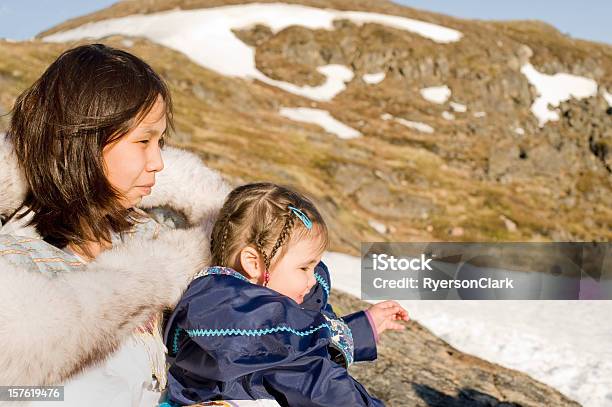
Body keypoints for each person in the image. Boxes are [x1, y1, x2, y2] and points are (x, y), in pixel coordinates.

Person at [0, 43, 230, 406]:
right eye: (143, 141)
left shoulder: (153, 237)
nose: (158, 162)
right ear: (82, 141)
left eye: (161, 142)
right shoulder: (16, 268)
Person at [164, 183, 409, 406]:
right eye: (304, 267)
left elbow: (305, 336)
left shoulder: (240, 311)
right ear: (254, 263)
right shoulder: (259, 329)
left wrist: (362, 327)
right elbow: (317, 384)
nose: (312, 279)